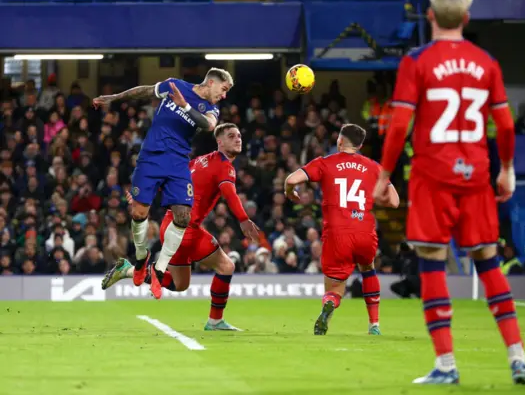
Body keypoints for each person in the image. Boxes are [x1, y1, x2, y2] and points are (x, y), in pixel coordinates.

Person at [372, 0, 525, 385]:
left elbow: (399, 126)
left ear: (429, 16)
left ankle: (446, 366)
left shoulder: (417, 61)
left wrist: (384, 176)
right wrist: (507, 169)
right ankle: (518, 358)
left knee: (431, 266)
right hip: (477, 176)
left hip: (432, 177)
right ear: (466, 18)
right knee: (489, 264)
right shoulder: (487, 63)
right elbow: (506, 125)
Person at [102, 123, 259, 329]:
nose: (238, 139)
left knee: (180, 284)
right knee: (226, 266)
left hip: (171, 226)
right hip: (186, 230)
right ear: (219, 142)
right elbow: (229, 193)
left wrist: (143, 197)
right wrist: (243, 219)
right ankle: (215, 321)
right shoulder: (224, 166)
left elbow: (168, 181)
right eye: (231, 136)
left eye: (239, 135)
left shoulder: (198, 161)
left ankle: (128, 270)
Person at [93, 69, 233, 299]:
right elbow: (145, 91)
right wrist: (115, 98)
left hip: (178, 162)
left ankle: (158, 270)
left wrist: (185, 106)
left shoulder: (211, 108)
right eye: (224, 89)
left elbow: (208, 126)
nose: (224, 95)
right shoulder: (175, 85)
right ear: (211, 82)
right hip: (151, 156)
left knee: (182, 216)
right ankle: (140, 260)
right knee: (139, 212)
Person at [284, 124, 400, 336]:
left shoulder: (325, 163)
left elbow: (292, 179)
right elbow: (394, 201)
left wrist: (289, 190)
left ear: (339, 140)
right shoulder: (373, 166)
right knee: (368, 268)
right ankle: (374, 324)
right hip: (364, 230)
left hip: (337, 233)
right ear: (360, 145)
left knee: (334, 289)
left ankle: (330, 303)